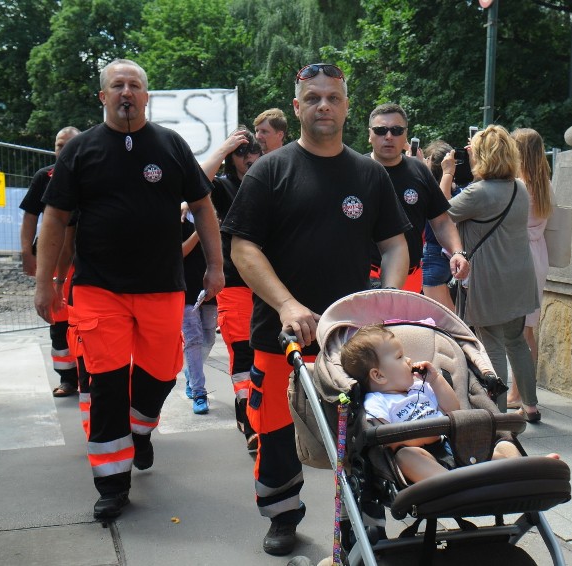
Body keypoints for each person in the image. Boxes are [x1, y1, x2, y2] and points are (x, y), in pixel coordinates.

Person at [224, 62, 411, 556]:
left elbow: (394, 245)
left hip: (349, 340)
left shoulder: (369, 174)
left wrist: (382, 303)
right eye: (313, 98)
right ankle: (282, 515)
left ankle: (362, 521)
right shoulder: (270, 171)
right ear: (297, 106)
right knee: (276, 432)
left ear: (347, 106)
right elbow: (243, 248)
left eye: (333, 97)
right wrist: (286, 304)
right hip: (280, 336)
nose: (323, 105)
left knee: (361, 433)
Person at [34, 59, 224, 520]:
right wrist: (45, 284)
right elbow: (55, 219)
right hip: (100, 290)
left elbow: (202, 205)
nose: (126, 92)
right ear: (103, 96)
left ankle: (141, 428)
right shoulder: (79, 151)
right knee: (106, 382)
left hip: (162, 286)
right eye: (116, 85)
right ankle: (112, 485)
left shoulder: (170, 145)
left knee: (161, 373)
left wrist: (216, 265)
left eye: (134, 85)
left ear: (146, 96)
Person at [341, 324, 559, 483]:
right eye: (399, 357)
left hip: (454, 446)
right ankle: (455, 484)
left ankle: (528, 473)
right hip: (424, 458)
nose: (408, 360)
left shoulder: (421, 386)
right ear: (378, 375)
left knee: (503, 446)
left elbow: (453, 409)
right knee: (406, 456)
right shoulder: (376, 402)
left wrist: (436, 380)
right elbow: (388, 441)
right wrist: (426, 434)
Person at [447, 126, 541, 420]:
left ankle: (499, 414)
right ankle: (531, 406)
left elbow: (440, 213)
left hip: (490, 279)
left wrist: (448, 173)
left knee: (493, 346)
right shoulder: (520, 188)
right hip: (521, 276)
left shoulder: (478, 193)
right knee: (516, 342)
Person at [199, 127, 262, 446]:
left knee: (264, 352)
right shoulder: (223, 186)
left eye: (253, 150)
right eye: (241, 152)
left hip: (267, 282)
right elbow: (197, 182)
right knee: (241, 349)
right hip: (235, 281)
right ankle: (248, 419)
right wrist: (223, 149)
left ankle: (260, 416)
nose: (248, 157)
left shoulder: (268, 180)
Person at [367, 104, 469, 293]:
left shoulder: (419, 170)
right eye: (381, 130)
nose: (388, 136)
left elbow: (441, 221)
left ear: (405, 135)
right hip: (368, 276)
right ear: (370, 134)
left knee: (409, 324)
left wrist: (457, 252)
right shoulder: (357, 171)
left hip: (412, 278)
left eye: (396, 130)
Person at [19, 126, 81, 397]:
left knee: (88, 321)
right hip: (56, 262)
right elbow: (30, 217)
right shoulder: (44, 177)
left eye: (70, 144)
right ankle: (67, 378)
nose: (64, 150)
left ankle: (89, 373)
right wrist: (26, 253)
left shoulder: (94, 175)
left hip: (88, 263)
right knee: (59, 321)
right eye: (59, 145)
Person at [508, 128, 555, 410]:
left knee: (517, 331)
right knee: (528, 329)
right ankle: (525, 390)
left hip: (518, 256)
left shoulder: (518, 186)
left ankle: (518, 393)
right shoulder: (545, 184)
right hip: (538, 255)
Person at [181, 209, 218, 414]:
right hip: (185, 287)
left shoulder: (213, 215)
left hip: (209, 287)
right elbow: (179, 252)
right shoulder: (180, 216)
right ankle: (198, 392)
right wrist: (199, 231)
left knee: (209, 339)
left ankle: (191, 373)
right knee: (193, 339)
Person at [420, 140, 459, 311]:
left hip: (433, 257)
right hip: (449, 256)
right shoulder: (460, 190)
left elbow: (442, 204)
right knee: (449, 317)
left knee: (446, 320)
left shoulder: (426, 192)